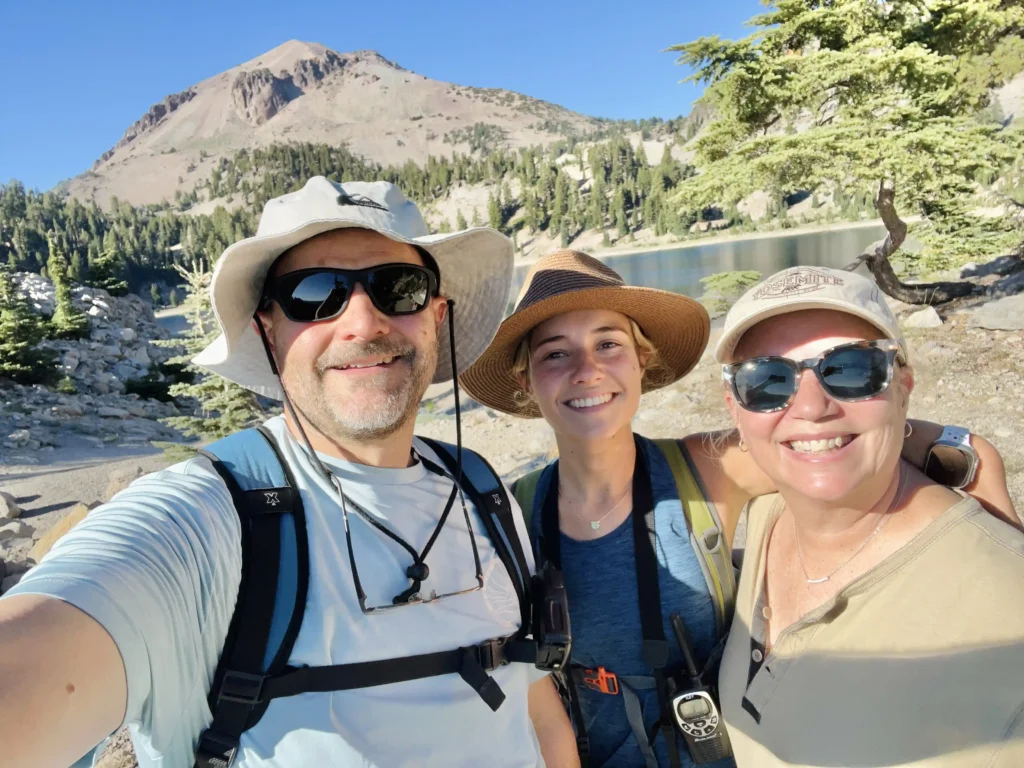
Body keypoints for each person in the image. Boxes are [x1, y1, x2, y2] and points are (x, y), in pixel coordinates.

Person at [0, 177, 578, 768]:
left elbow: (529, 698)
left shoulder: (481, 487)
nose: (363, 322)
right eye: (315, 294)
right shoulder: (207, 521)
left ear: (435, 316)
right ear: (267, 331)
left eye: (397, 288)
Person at [459, 251, 1017, 768]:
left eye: (608, 344)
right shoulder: (512, 512)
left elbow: (823, 435)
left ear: (641, 362)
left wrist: (981, 511)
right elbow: (530, 691)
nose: (587, 370)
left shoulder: (707, 470)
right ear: (525, 382)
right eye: (555, 353)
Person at [713, 266, 1024, 767]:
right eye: (767, 381)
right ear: (735, 407)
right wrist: (962, 448)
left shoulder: (1007, 608)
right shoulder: (768, 515)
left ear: (903, 385)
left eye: (852, 369)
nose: (811, 406)